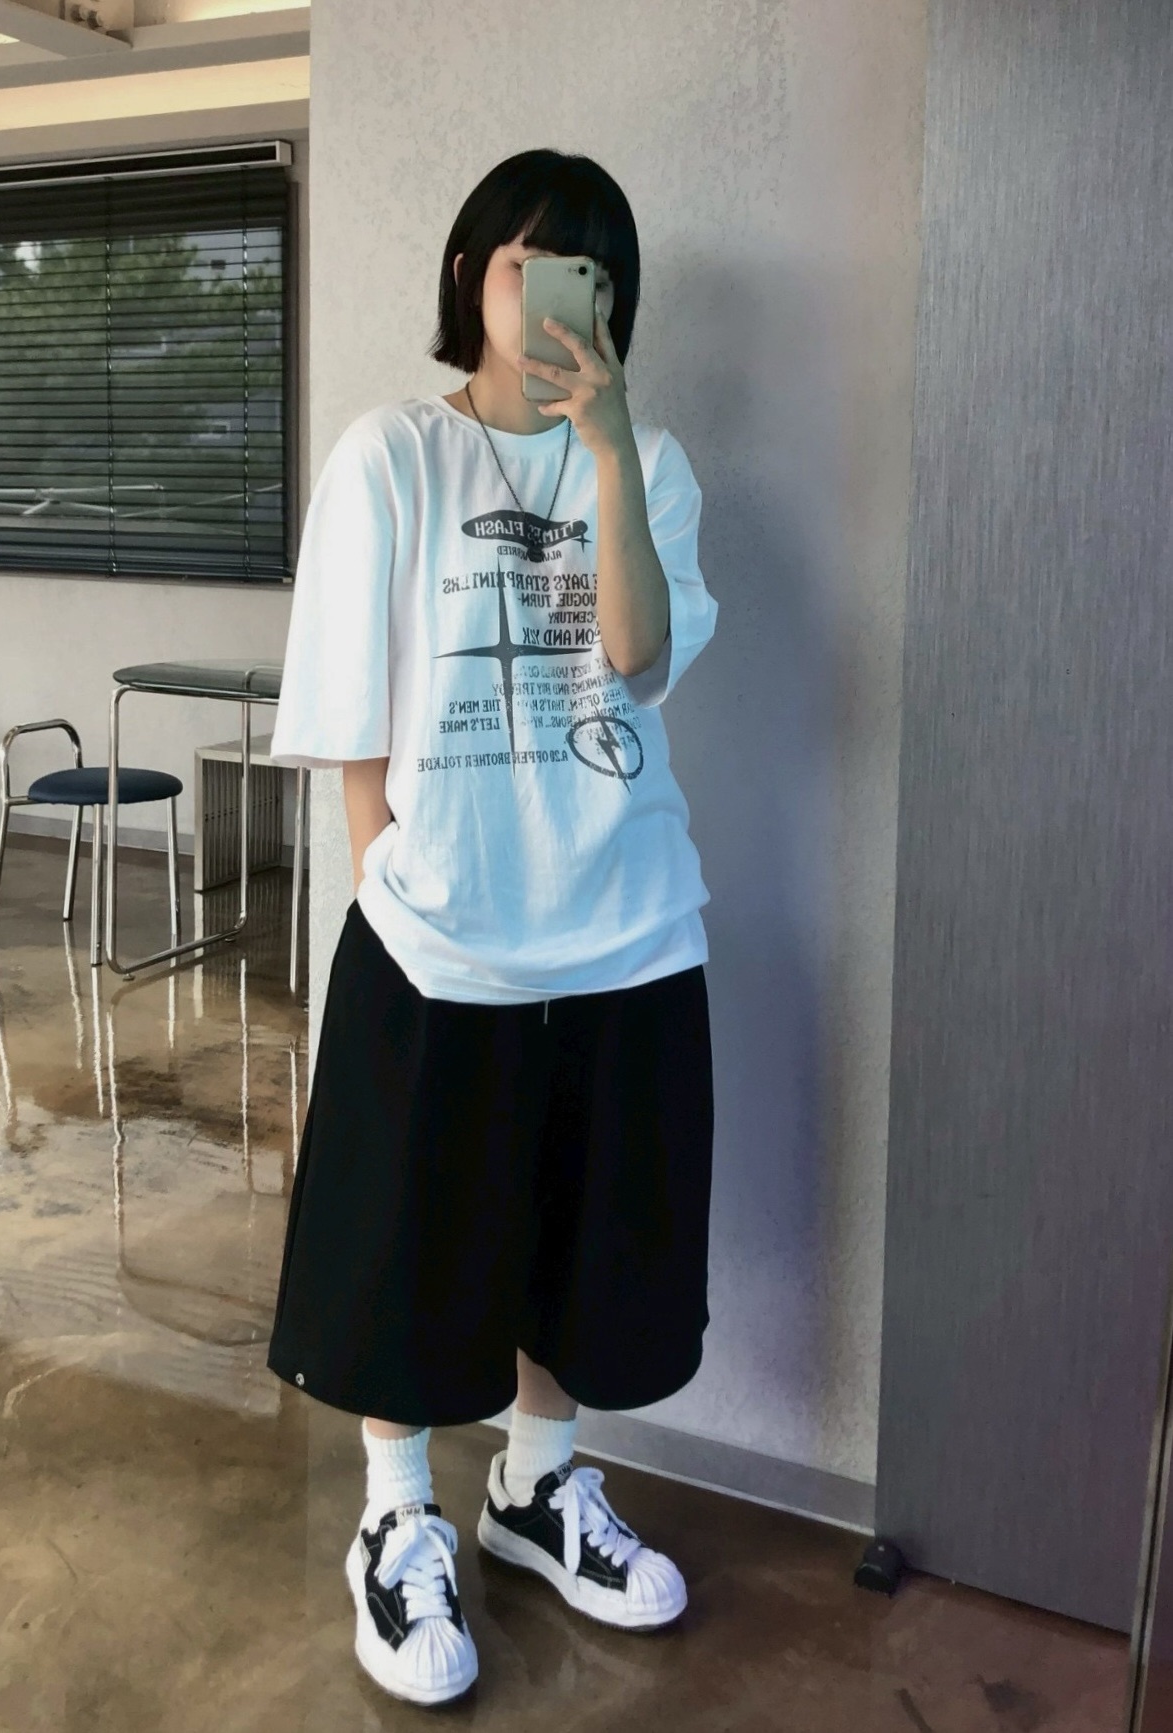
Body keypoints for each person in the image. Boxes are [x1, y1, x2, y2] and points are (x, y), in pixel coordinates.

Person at [266, 147, 719, 1708]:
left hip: (628, 926)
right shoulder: (392, 454)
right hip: (439, 933)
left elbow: (640, 660)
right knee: (405, 1241)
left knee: (585, 1239)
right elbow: (347, 705)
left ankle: (536, 1485)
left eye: (588, 272)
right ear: (474, 273)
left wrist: (607, 446)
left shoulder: (651, 463)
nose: (553, 297)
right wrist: (385, 875)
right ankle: (399, 1518)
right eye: (530, 263)